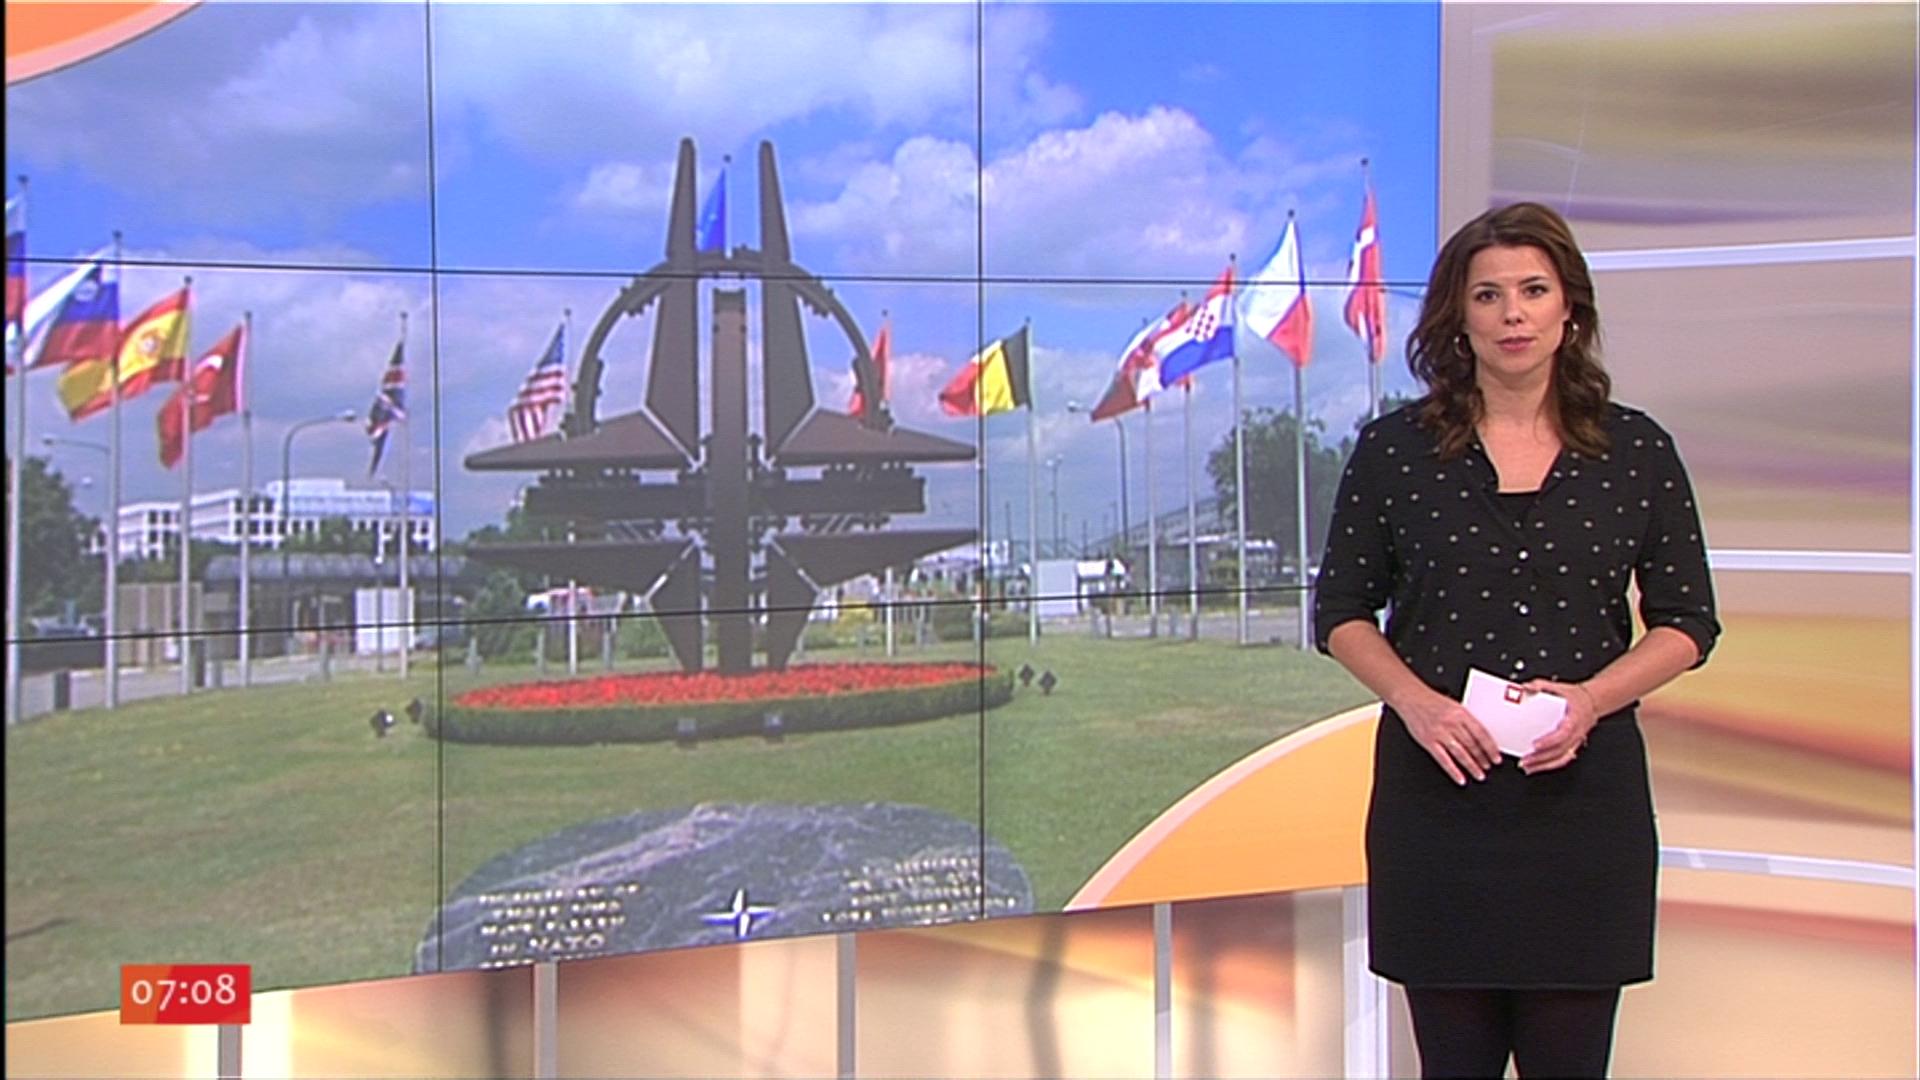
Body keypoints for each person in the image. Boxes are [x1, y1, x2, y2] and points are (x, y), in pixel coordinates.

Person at [1312, 201, 1720, 1078]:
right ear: (1458, 317)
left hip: (1582, 807)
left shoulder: (1636, 451)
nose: (1513, 315)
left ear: (1569, 308)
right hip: (1440, 800)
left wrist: (1591, 701)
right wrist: (1417, 704)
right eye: (1488, 295)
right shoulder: (1394, 453)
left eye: (1533, 291)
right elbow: (1340, 612)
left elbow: (1688, 621)